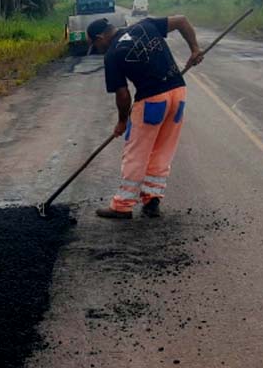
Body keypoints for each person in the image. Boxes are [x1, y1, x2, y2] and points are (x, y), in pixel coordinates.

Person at [86, 15, 204, 219]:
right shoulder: (146, 25)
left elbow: (123, 94)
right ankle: (152, 199)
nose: (98, 49)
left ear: (100, 37)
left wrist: (122, 121)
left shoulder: (112, 54)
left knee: (136, 152)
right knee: (163, 148)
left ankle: (122, 205)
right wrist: (195, 49)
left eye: (95, 45)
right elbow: (182, 20)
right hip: (178, 93)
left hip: (152, 102)